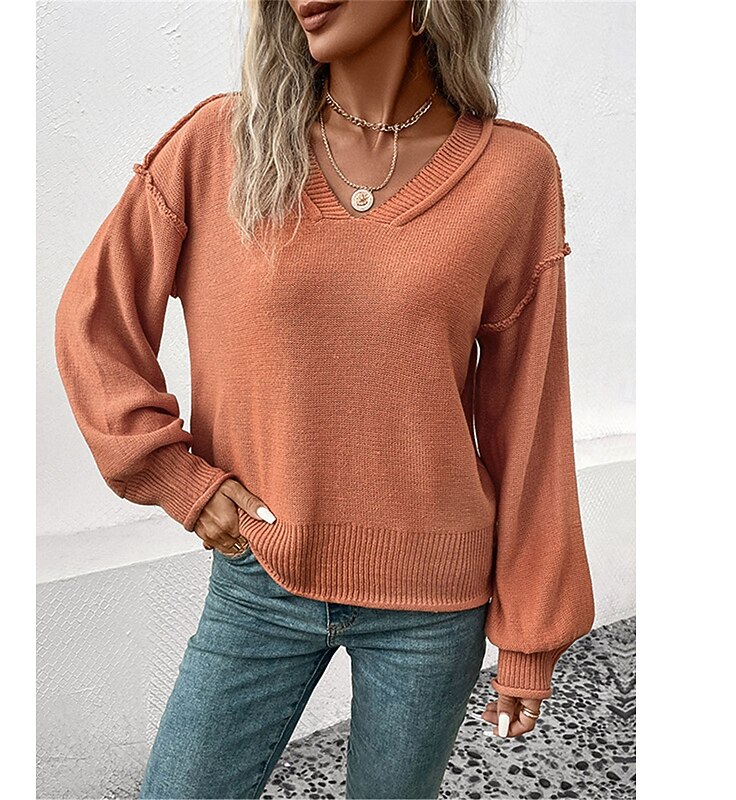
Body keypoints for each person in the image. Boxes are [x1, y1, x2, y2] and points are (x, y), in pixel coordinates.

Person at [54, 0, 596, 797]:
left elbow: (531, 414)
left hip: (434, 603)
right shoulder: (220, 144)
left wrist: (531, 630)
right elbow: (93, 322)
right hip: (260, 579)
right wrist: (175, 476)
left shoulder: (513, 172)